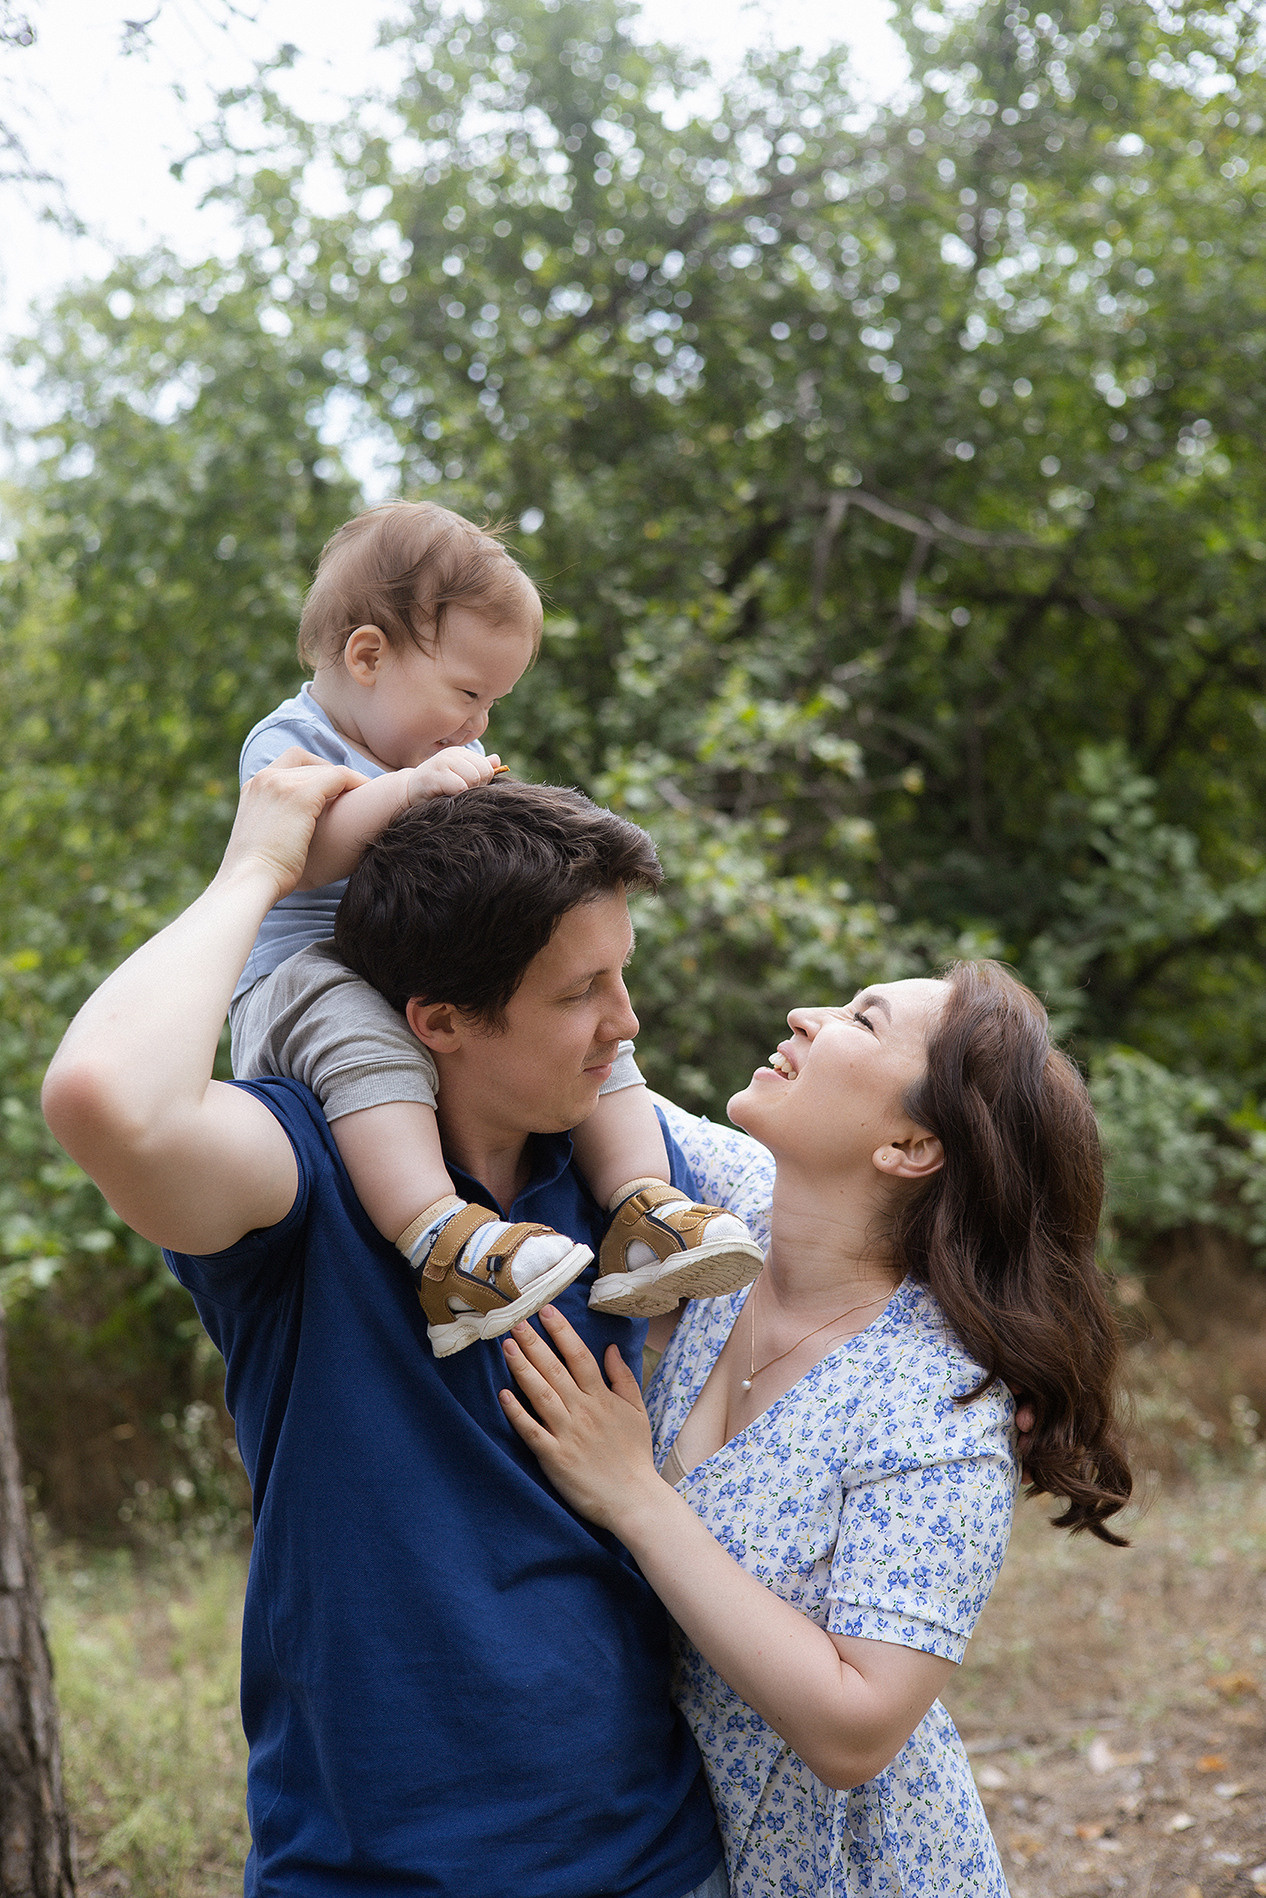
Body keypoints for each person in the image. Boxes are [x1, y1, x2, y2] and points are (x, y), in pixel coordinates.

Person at [42, 760, 731, 1898]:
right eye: (580, 993)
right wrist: (257, 869)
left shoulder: (632, 1183)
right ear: (438, 1020)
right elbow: (106, 1099)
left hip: (654, 1854)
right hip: (377, 1869)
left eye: (624, 974)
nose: (627, 1023)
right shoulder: (301, 1175)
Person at [499, 963, 1133, 1897]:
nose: (804, 1015)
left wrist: (633, 1495)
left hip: (854, 1873)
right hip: (669, 1844)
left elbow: (858, 1730)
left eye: (860, 1021)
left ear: (912, 1144)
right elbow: (597, 1067)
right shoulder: (723, 1217)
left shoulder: (940, 1399)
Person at [229, 499, 762, 1354]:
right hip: (304, 979)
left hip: (417, 971)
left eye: (493, 703)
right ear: (367, 656)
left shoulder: (423, 755)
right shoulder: (292, 743)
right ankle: (444, 1242)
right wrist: (411, 789)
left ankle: (642, 1208)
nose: (478, 724)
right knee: (373, 1042)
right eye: (468, 694)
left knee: (590, 1020)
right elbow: (299, 853)